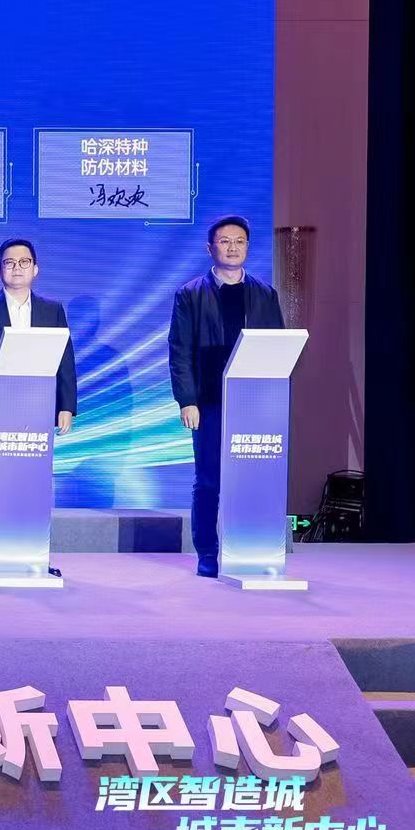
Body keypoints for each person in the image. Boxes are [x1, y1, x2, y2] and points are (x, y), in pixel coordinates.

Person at [167, 215, 285, 578]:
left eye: (239, 241)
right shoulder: (190, 294)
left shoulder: (265, 294)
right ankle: (207, 551)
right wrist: (187, 400)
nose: (232, 248)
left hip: (255, 402)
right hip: (209, 401)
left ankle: (252, 547)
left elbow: (277, 346)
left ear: (247, 247)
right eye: (224, 241)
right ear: (210, 248)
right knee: (209, 480)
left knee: (254, 478)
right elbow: (179, 350)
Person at [0, 239, 77, 579]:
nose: (17, 268)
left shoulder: (52, 310)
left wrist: (66, 406)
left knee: (34, 484)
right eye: (9, 263)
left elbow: (64, 360)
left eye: (24, 262)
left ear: (36, 269)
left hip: (37, 410)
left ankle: (34, 555)